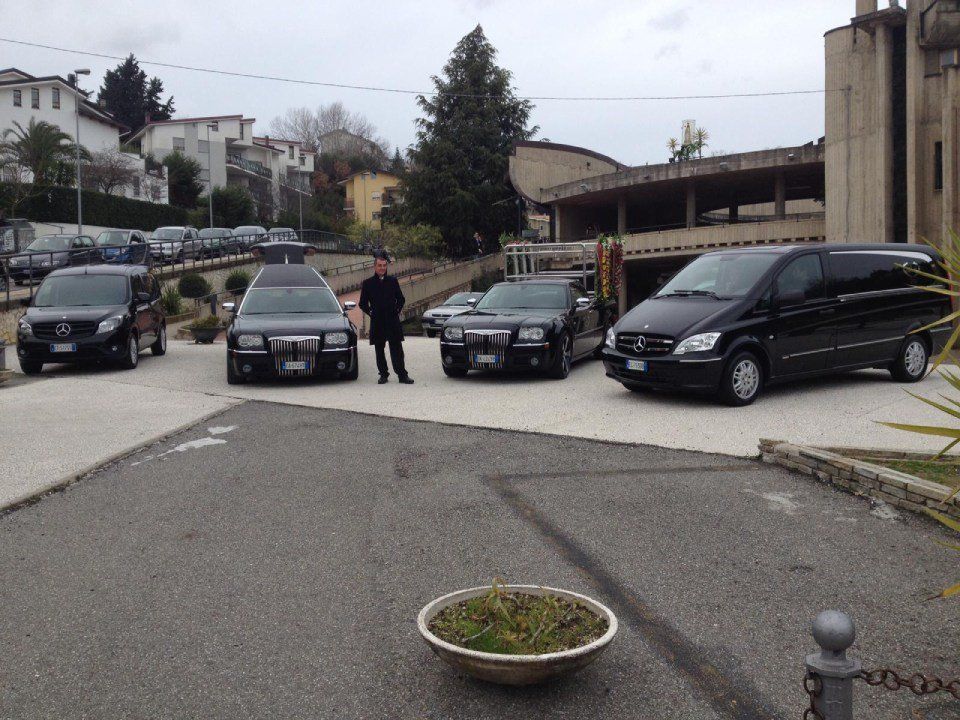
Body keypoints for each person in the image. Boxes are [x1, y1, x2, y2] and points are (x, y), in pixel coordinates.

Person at [359, 253, 413, 384]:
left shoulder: (393, 281)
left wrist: (397, 310)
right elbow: (362, 303)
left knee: (397, 349)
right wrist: (371, 312)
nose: (382, 268)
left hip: (392, 320)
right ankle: (383, 374)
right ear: (374, 267)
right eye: (379, 265)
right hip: (377, 321)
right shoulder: (367, 284)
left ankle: (402, 375)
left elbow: (401, 299)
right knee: (379, 349)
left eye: (384, 265)